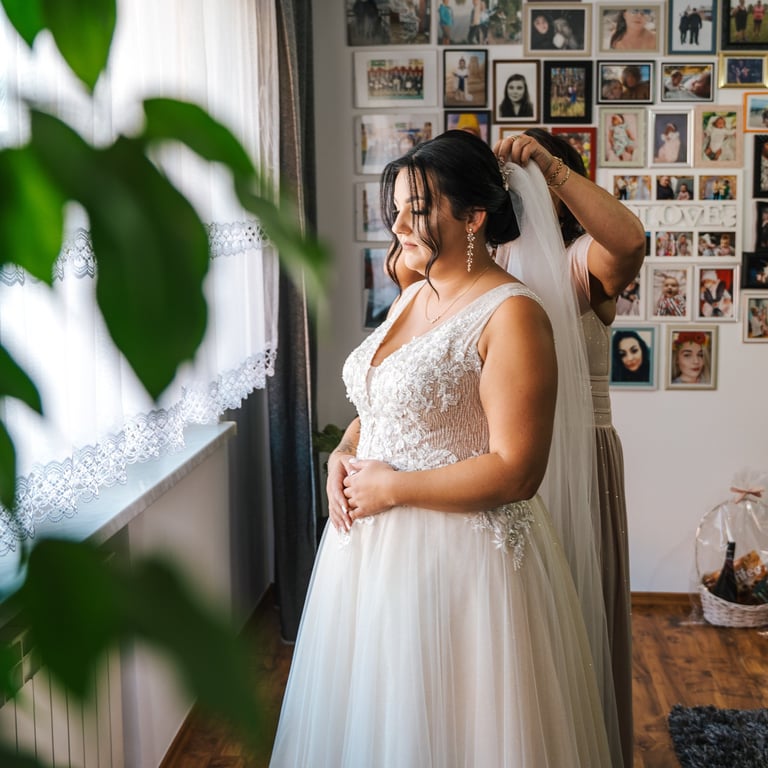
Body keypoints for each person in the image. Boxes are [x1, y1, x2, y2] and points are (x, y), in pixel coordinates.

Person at [269, 130, 614, 767]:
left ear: (473, 217)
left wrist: (392, 488)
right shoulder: (413, 293)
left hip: (462, 563)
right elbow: (381, 404)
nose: (399, 224)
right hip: (370, 560)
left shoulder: (513, 314)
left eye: (418, 209)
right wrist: (343, 452)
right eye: (397, 207)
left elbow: (518, 471)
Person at [495, 128, 645, 768]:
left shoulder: (582, 260)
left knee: (579, 615)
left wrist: (547, 165)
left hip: (578, 459)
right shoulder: (486, 263)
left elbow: (630, 241)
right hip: (501, 459)